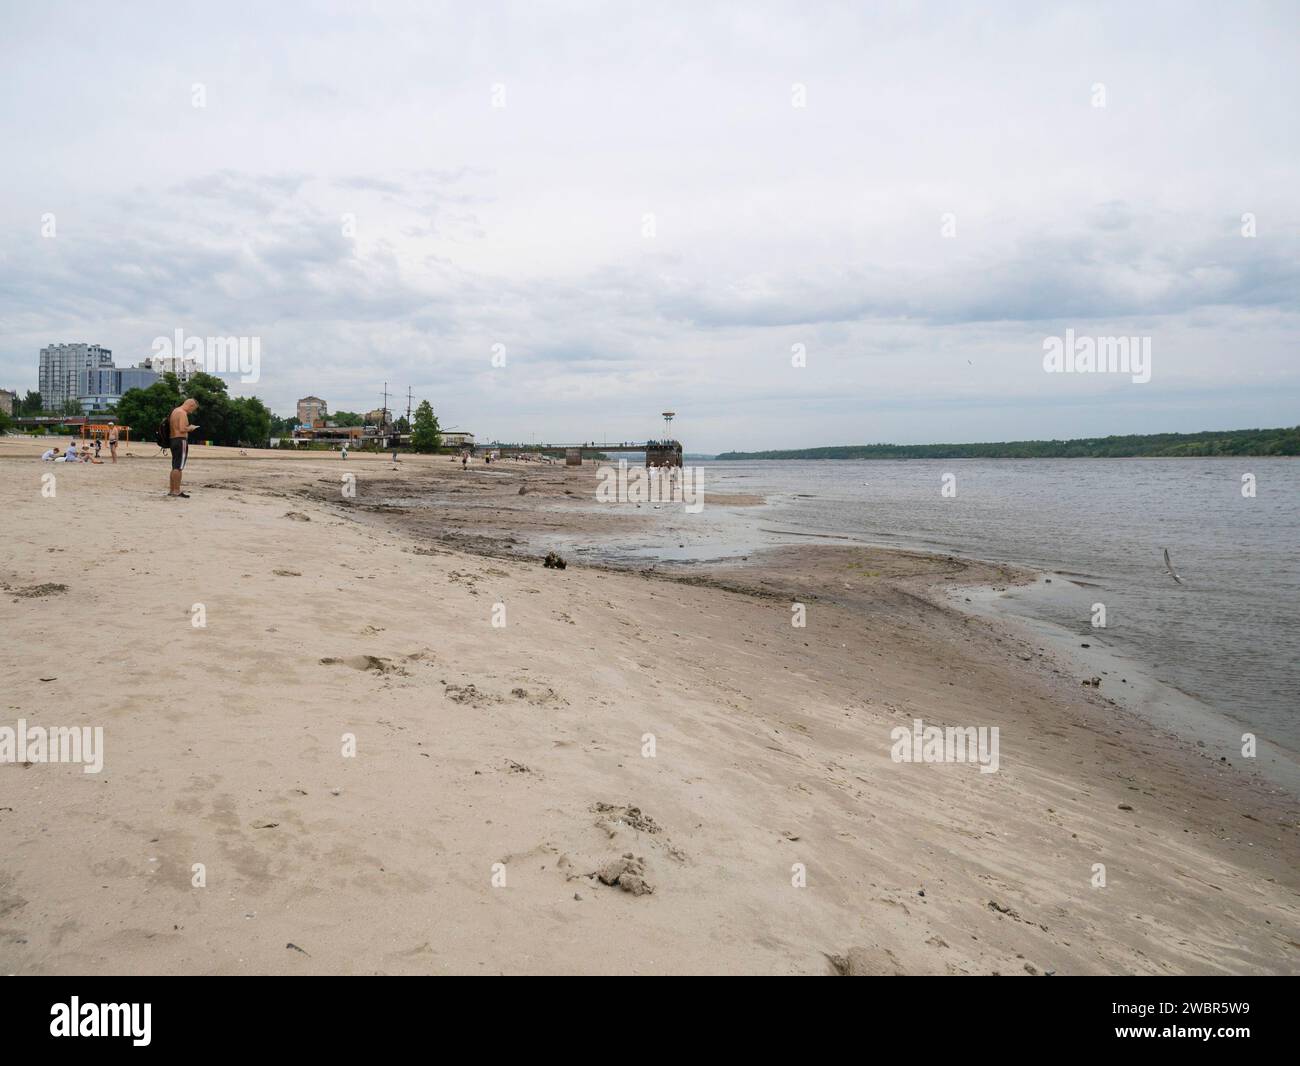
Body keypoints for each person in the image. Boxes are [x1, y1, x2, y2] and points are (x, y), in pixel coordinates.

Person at [167, 398, 199, 498]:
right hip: (181, 440)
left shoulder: (174, 411)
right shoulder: (182, 413)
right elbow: (182, 429)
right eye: (193, 409)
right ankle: (176, 491)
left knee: (174, 466)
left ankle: (172, 490)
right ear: (191, 405)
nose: (192, 411)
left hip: (173, 440)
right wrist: (191, 428)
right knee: (179, 467)